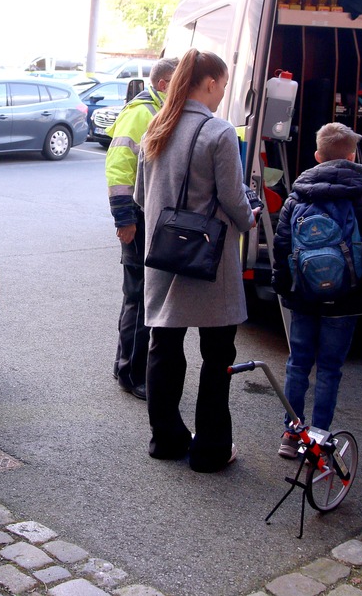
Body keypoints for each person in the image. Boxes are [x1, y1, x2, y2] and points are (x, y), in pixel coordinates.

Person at [133, 48, 260, 473]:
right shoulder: (218, 132)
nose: (223, 92)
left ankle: (165, 440)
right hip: (209, 259)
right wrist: (251, 216)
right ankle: (210, 449)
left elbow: (139, 196)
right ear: (209, 82)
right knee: (217, 353)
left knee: (164, 346)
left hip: (164, 253)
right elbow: (234, 201)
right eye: (223, 84)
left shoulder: (157, 124)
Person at [270, 122, 362, 453]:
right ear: (352, 156)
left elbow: (282, 245)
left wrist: (284, 285)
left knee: (298, 362)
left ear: (317, 156)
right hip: (347, 296)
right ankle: (319, 438)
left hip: (304, 294)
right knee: (330, 369)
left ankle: (291, 435)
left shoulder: (298, 193)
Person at [106, 57, 178, 401]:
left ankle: (128, 367)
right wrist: (125, 219)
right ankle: (130, 373)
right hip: (139, 217)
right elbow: (119, 169)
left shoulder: (159, 111)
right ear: (164, 84)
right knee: (138, 297)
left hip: (151, 218)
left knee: (141, 296)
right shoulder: (143, 113)